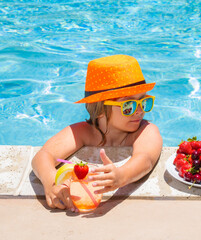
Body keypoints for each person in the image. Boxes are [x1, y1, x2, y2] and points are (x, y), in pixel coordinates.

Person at [31, 55, 163, 212]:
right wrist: (52, 183)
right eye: (128, 105)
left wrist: (122, 175)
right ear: (100, 109)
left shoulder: (146, 131)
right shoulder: (84, 132)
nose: (140, 111)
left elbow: (146, 159)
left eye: (144, 101)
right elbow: (43, 156)